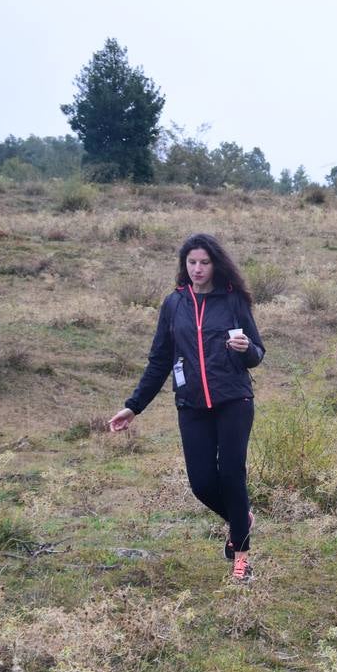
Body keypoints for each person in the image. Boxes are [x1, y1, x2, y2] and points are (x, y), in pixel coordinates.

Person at [108, 233, 265, 581]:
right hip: (191, 404)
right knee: (201, 483)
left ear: (215, 264)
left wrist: (245, 349)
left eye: (204, 263)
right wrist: (133, 406)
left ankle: (242, 557)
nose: (197, 269)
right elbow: (159, 360)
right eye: (191, 263)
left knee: (231, 475)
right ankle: (241, 518)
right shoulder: (174, 304)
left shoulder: (233, 300)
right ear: (184, 265)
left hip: (234, 400)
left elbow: (258, 353)